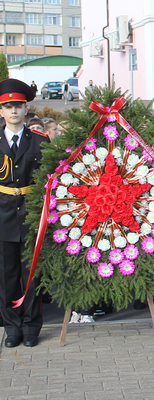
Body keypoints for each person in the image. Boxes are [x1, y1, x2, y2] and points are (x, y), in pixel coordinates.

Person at [0, 78, 49, 347]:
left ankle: (31, 326)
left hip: (31, 214)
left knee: (32, 273)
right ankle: (12, 326)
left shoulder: (39, 140)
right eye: (8, 106)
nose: (14, 111)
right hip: (3, 214)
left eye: (18, 105)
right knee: (7, 276)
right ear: (1, 111)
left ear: (25, 108)